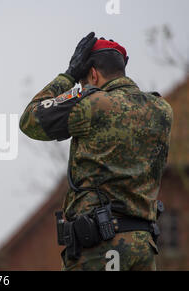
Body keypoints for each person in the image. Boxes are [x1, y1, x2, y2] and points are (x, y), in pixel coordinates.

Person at [19, 32, 173, 271]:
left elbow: (31, 119)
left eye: (83, 80)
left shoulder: (94, 104)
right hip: (143, 247)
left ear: (93, 74)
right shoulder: (162, 109)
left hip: (101, 247)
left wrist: (68, 75)